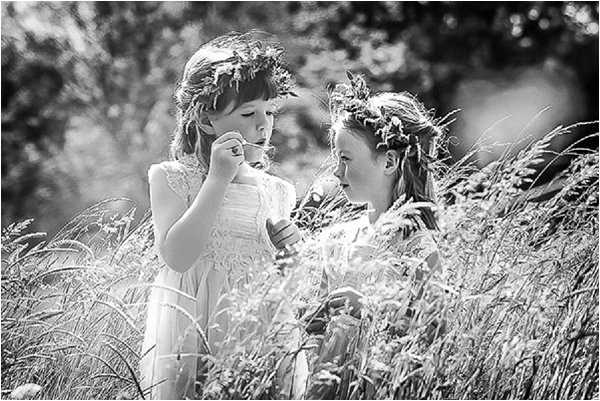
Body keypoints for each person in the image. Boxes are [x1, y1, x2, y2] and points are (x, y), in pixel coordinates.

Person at [139, 31, 305, 399]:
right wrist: (217, 180)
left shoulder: (276, 191)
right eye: (248, 114)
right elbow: (177, 257)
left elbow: (285, 283)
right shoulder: (173, 179)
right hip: (194, 328)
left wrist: (293, 255)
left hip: (258, 331)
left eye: (269, 113)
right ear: (207, 119)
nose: (263, 126)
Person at [303, 71, 445, 399]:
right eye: (336, 158)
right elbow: (317, 324)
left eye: (346, 159)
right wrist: (312, 315)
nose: (336, 171)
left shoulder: (418, 249)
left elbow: (434, 339)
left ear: (389, 161)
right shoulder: (337, 239)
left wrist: (367, 309)